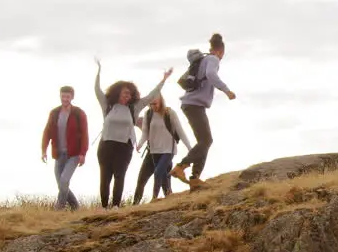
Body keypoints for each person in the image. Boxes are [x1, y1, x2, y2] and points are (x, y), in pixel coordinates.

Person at [93, 58, 172, 208]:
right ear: (117, 93)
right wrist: (99, 71)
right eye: (124, 93)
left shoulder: (134, 108)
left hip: (124, 146)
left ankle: (116, 206)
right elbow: (97, 90)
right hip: (106, 145)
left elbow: (151, 95)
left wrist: (164, 79)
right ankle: (104, 208)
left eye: (129, 94)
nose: (127, 96)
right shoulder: (107, 105)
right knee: (105, 177)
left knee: (119, 176)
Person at [171, 33, 235, 188]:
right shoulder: (212, 59)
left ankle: (195, 178)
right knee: (206, 141)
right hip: (194, 105)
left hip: (192, 105)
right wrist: (227, 91)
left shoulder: (203, 60)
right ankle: (181, 167)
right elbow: (211, 75)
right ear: (221, 51)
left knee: (204, 141)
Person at [132, 94, 193, 203]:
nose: (152, 106)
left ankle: (154, 199)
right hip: (153, 151)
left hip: (168, 150)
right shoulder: (148, 114)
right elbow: (145, 132)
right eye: (150, 104)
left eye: (154, 104)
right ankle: (135, 204)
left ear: (160, 101)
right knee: (155, 180)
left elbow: (180, 131)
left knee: (158, 172)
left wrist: (190, 148)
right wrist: (140, 144)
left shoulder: (170, 113)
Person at [40, 85, 88, 211]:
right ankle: (76, 208)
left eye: (67, 96)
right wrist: (43, 150)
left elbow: (84, 134)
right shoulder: (55, 113)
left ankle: (58, 209)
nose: (65, 99)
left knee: (64, 180)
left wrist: (83, 153)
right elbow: (47, 131)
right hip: (59, 154)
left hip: (74, 154)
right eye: (63, 96)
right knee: (61, 184)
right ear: (60, 96)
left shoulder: (78, 113)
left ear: (72, 97)